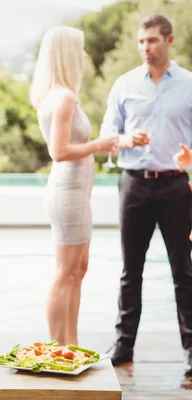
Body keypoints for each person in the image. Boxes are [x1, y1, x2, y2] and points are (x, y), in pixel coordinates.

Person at [100, 15, 192, 379]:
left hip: (175, 186)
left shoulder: (188, 84)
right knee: (130, 271)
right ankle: (123, 349)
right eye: (141, 41)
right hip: (134, 184)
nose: (145, 47)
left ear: (168, 41)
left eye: (152, 40)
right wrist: (123, 140)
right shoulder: (123, 85)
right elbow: (109, 132)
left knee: (183, 271)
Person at [30, 26, 119, 346]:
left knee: (77, 270)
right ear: (67, 55)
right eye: (79, 50)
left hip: (75, 194)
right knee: (66, 272)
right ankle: (59, 347)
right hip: (67, 193)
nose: (84, 56)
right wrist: (99, 145)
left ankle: (71, 345)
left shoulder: (58, 95)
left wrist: (97, 146)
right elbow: (59, 151)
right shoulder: (64, 98)